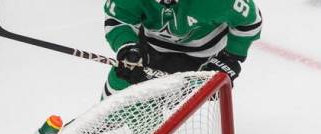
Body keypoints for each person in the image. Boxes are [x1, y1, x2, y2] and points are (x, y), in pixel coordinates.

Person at [103, 0, 263, 98]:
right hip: (149, 47)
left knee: (160, 113)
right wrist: (128, 47)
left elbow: (250, 23)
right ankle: (99, 125)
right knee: (120, 80)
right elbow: (118, 19)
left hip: (200, 57)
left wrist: (230, 57)